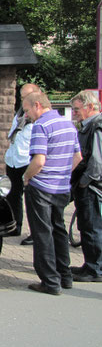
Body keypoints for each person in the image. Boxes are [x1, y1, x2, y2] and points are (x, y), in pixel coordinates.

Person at [22, 91, 82, 295]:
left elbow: (39, 161)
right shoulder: (68, 124)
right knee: (59, 230)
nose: (27, 114)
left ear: (37, 105)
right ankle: (65, 276)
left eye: (28, 110)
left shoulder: (41, 126)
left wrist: (27, 177)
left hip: (41, 187)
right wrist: (62, 173)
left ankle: (49, 281)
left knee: (42, 233)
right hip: (62, 187)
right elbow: (78, 157)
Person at [70, 90, 102, 282]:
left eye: (76, 109)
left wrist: (83, 183)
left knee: (92, 227)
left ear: (90, 107)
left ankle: (95, 270)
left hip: (91, 187)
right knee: (87, 227)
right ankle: (90, 265)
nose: (74, 113)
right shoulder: (89, 126)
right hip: (88, 186)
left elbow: (97, 162)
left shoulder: (96, 126)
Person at [5, 84, 40, 243]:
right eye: (21, 96)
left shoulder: (38, 118)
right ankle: (15, 226)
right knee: (13, 195)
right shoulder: (20, 114)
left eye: (26, 96)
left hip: (27, 161)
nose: (23, 99)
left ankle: (36, 233)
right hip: (13, 160)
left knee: (32, 200)